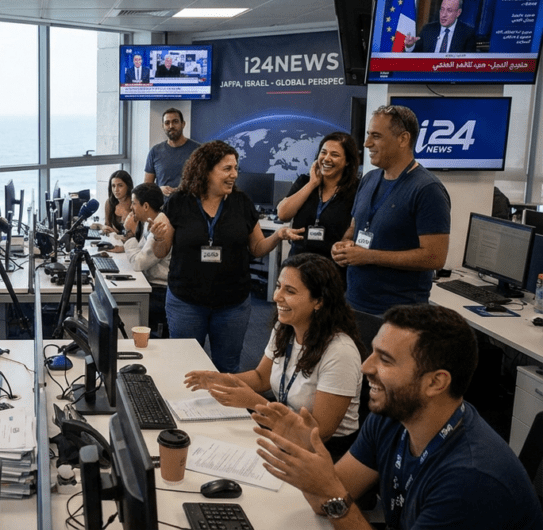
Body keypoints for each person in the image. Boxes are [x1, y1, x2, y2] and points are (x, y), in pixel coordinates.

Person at [251, 304, 543, 529]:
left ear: (435, 383)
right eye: (373, 353)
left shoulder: (471, 480)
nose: (366, 367)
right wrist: (309, 455)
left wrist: (330, 492)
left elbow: (333, 499)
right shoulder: (391, 417)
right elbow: (326, 502)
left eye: (385, 360)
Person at [184, 253, 364, 460]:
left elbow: (319, 434)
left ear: (318, 301)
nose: (277, 296)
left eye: (290, 291)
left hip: (324, 450)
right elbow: (261, 377)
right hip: (282, 429)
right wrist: (223, 380)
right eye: (279, 286)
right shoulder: (285, 328)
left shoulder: (340, 352)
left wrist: (256, 403)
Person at [153, 141, 303, 372]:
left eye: (235, 168)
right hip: (186, 301)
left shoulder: (241, 203)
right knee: (185, 367)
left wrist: (278, 236)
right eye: (227, 169)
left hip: (232, 304)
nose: (234, 174)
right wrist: (159, 238)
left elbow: (257, 248)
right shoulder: (179, 202)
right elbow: (160, 252)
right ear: (205, 170)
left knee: (227, 367)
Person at [330, 105, 450, 316]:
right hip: (354, 303)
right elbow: (355, 226)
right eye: (368, 135)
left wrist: (368, 256)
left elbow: (434, 258)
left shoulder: (427, 189)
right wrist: (344, 246)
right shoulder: (369, 179)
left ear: (403, 139)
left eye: (376, 136)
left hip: (398, 314)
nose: (366, 143)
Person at [277, 132, 360, 275]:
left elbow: (357, 224)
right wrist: (312, 183)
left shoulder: (356, 189)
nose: (327, 158)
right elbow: (283, 214)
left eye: (334, 154)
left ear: (347, 161)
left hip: (331, 270)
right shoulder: (304, 181)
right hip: (298, 266)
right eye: (324, 152)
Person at [121, 182, 170, 338]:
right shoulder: (150, 222)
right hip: (152, 285)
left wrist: (129, 232)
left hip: (159, 291)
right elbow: (140, 253)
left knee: (120, 302)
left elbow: (138, 263)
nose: (131, 208)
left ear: (146, 206)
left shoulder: (160, 225)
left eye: (134, 204)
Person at [143, 108, 200, 197]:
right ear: (163, 126)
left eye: (175, 121)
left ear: (183, 124)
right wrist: (159, 189)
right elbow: (146, 185)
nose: (171, 126)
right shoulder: (155, 151)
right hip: (163, 208)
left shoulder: (198, 150)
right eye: (167, 123)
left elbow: (207, 181)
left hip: (191, 206)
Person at [404, 0, 477, 53]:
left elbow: (469, 64)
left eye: (449, 10)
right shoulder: (428, 29)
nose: (443, 14)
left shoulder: (467, 33)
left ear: (458, 13)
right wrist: (410, 46)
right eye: (442, 9)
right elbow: (415, 56)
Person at [101, 169, 133, 238]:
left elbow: (136, 235)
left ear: (128, 186)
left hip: (133, 244)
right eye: (113, 186)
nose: (116, 190)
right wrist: (105, 229)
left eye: (120, 185)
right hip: (116, 242)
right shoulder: (109, 203)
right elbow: (107, 226)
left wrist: (114, 233)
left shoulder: (135, 204)